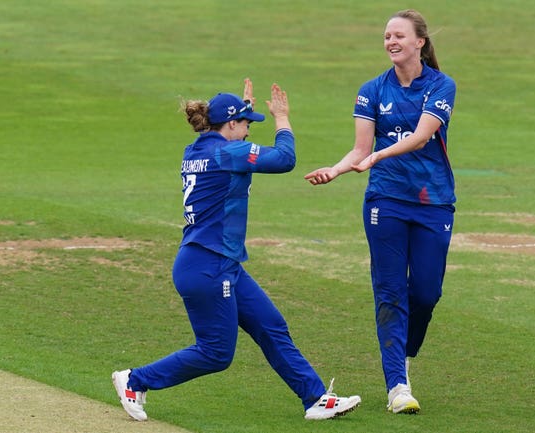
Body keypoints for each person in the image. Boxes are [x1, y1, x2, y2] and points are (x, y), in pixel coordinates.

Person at [112, 79, 361, 421]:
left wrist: (240, 110)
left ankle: (316, 398)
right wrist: (282, 118)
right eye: (246, 123)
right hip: (208, 266)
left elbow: (234, 151)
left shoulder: (198, 149)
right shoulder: (228, 152)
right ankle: (135, 380)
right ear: (230, 124)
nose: (248, 131)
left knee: (271, 326)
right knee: (216, 353)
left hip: (216, 262)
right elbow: (285, 158)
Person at [305, 9, 456, 414]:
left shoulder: (441, 85)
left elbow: (423, 136)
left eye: (399, 36)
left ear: (419, 42)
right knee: (390, 293)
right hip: (385, 200)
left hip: (432, 200)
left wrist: (379, 155)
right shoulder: (372, 89)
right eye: (387, 36)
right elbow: (360, 148)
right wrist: (336, 170)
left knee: (426, 292)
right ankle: (397, 386)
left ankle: (403, 357)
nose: (391, 41)